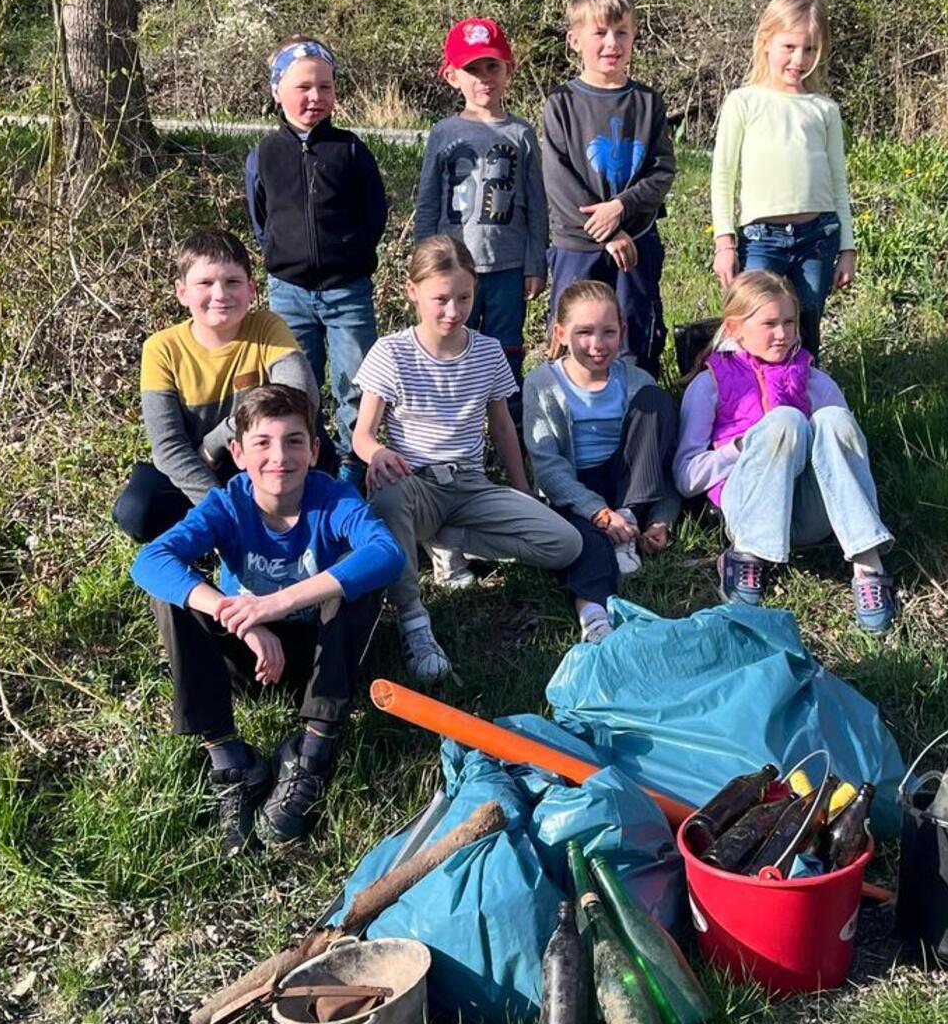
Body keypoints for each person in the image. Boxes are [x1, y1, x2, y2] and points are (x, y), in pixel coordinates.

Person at [129, 384, 403, 854]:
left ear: (314, 450)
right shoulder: (227, 504)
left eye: (294, 441)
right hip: (247, 658)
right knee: (175, 596)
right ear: (237, 452)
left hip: (319, 657)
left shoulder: (332, 498)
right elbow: (149, 561)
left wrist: (274, 604)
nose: (280, 456)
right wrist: (241, 618)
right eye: (263, 443)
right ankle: (230, 760)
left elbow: (388, 553)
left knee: (362, 583)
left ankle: (311, 751)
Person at [355, 236, 583, 681]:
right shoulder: (391, 352)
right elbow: (362, 433)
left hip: (470, 484)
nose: (452, 311)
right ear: (412, 291)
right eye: (441, 299)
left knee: (565, 543)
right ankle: (415, 621)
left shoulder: (487, 351)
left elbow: (502, 427)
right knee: (384, 499)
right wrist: (378, 453)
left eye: (464, 297)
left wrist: (521, 488)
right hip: (413, 483)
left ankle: (449, 539)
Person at [674, 272, 897, 633]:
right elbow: (685, 477)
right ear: (735, 328)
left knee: (835, 420)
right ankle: (746, 557)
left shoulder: (814, 380)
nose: (782, 333)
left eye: (789, 322)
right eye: (769, 324)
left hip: (809, 514)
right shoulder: (708, 384)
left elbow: (849, 458)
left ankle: (868, 565)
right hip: (747, 509)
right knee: (786, 421)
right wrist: (740, 448)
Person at [245, 36, 388, 487]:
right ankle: (309, 460)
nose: (315, 97)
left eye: (325, 87)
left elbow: (375, 213)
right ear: (277, 91)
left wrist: (352, 252)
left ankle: (353, 465)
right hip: (289, 291)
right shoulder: (265, 153)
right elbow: (259, 215)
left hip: (348, 289)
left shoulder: (349, 150)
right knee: (294, 386)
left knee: (355, 383)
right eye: (303, 87)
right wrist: (281, 256)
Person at [113, 228, 317, 544]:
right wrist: (223, 509)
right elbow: (168, 447)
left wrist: (217, 440)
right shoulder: (161, 348)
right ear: (182, 292)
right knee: (137, 510)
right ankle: (217, 538)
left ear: (251, 289)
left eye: (232, 282)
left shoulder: (267, 327)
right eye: (205, 283)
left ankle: (302, 535)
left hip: (255, 460)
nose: (220, 294)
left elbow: (301, 398)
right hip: (195, 467)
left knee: (319, 452)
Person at [522, 280, 680, 644]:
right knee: (585, 539)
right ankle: (593, 617)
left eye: (609, 332)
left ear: (622, 332)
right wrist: (597, 512)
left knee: (657, 402)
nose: (597, 344)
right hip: (574, 485)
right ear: (561, 333)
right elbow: (548, 467)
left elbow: (657, 459)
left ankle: (630, 520)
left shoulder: (637, 380)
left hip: (627, 483)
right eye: (584, 332)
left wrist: (659, 519)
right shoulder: (542, 384)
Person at [541, 0, 677, 379]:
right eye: (599, 33)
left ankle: (637, 417)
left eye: (621, 32)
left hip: (637, 240)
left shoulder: (648, 103)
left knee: (634, 333)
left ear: (634, 36)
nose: (611, 43)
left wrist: (622, 209)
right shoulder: (562, 103)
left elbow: (662, 170)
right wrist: (606, 233)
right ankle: (572, 418)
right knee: (579, 336)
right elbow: (558, 177)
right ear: (575, 40)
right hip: (578, 246)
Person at [709, 0, 856, 357]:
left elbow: (838, 181)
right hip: (761, 240)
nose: (798, 59)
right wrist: (725, 243)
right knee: (757, 324)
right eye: (789, 47)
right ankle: (752, 406)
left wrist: (847, 247)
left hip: (817, 239)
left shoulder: (824, 110)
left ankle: (806, 400)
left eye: (809, 50)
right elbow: (723, 176)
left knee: (804, 325)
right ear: (765, 42)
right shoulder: (744, 102)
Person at [415, 15, 548, 399]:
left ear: (510, 69)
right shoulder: (444, 132)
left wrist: (534, 262)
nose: (483, 77)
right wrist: (425, 265)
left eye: (493, 66)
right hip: (454, 267)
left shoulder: (520, 133)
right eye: (472, 69)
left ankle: (509, 427)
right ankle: (460, 424)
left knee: (506, 348)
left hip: (507, 265)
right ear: (452, 76)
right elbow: (427, 202)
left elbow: (536, 203)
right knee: (454, 344)